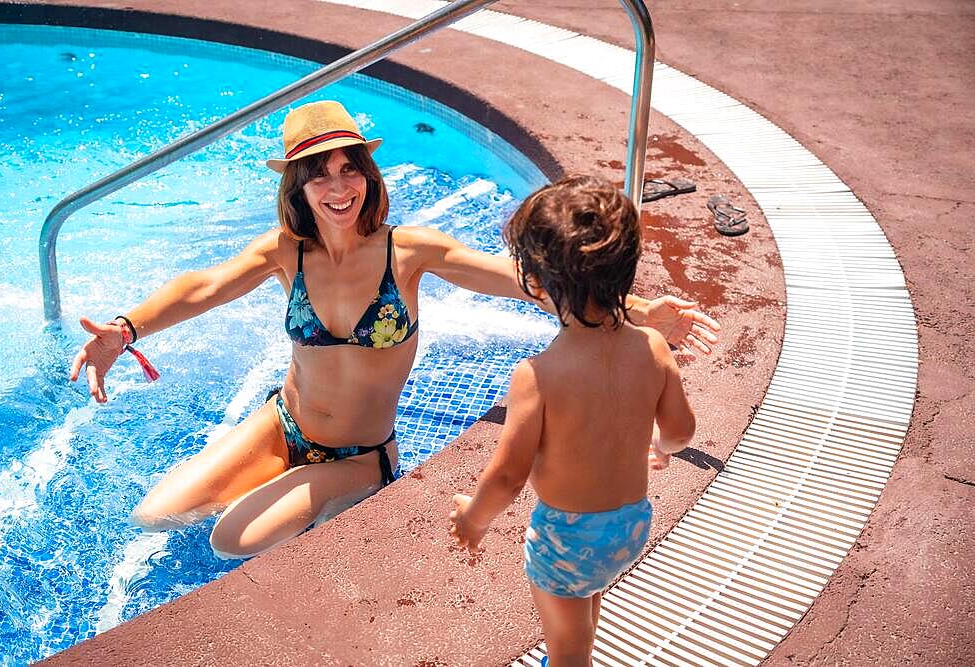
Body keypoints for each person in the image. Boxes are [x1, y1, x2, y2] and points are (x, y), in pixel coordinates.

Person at [69, 100, 716, 560]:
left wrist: (633, 310)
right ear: (299, 185)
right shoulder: (284, 252)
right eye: (319, 173)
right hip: (283, 424)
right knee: (155, 515)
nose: (338, 185)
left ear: (367, 174)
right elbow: (202, 285)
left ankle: (330, 511)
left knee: (230, 539)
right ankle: (296, 497)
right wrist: (127, 330)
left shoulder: (406, 252)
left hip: (359, 456)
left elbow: (528, 277)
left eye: (350, 167)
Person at [448, 176, 696, 667]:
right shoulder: (652, 347)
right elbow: (681, 431)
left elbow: (506, 476)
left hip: (567, 537)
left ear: (536, 283)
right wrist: (660, 449)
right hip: (630, 527)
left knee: (569, 649)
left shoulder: (538, 376)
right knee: (586, 599)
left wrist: (472, 518)